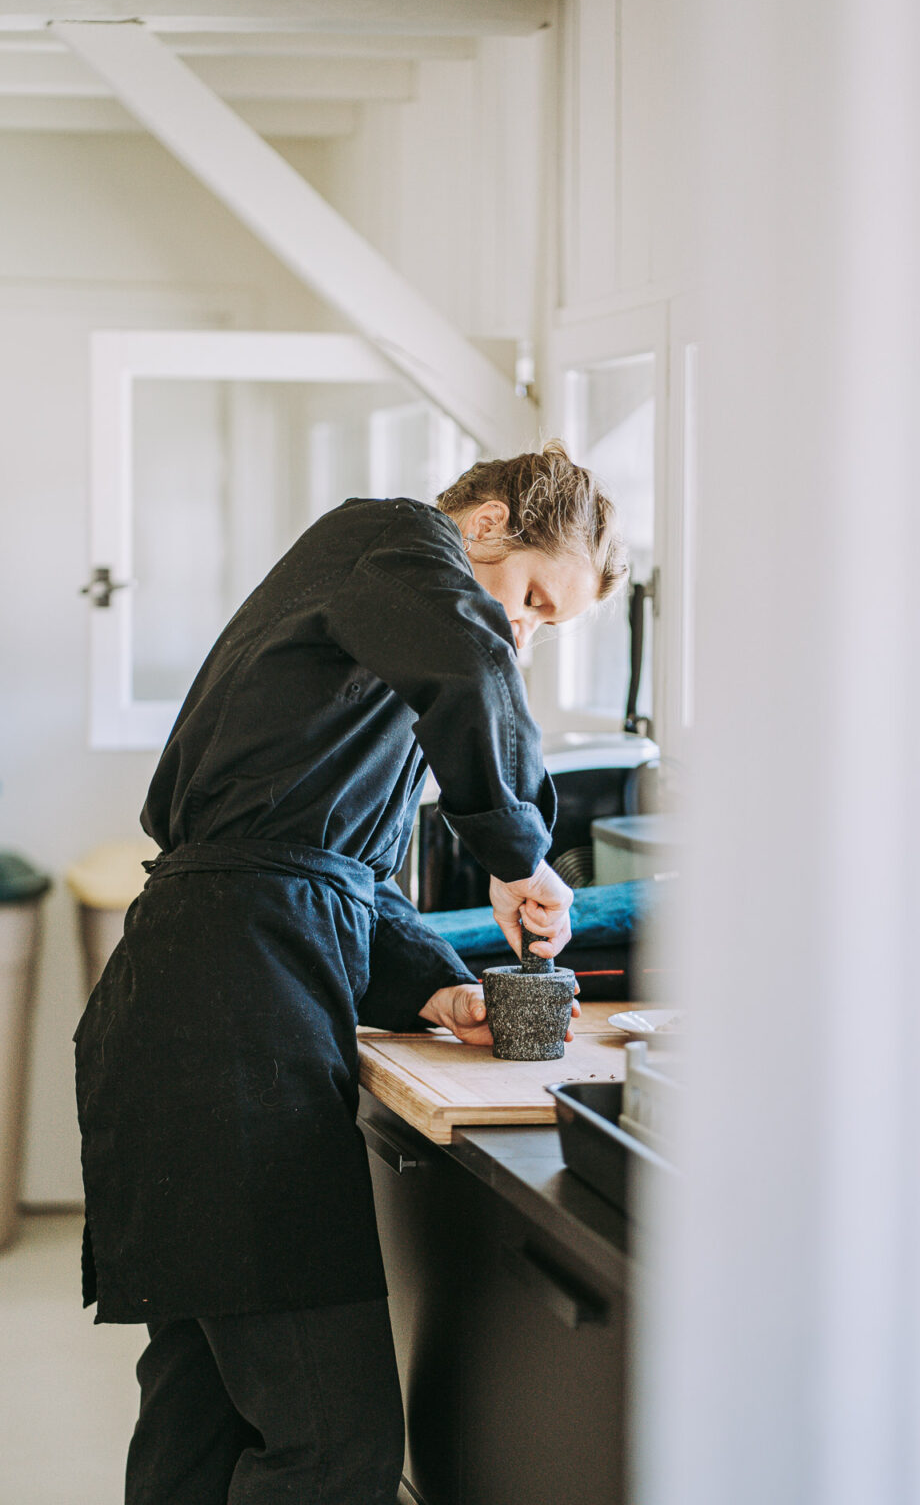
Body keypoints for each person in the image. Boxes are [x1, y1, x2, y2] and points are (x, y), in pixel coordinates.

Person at [73, 438, 629, 1504]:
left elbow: (332, 875)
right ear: (484, 526)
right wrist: (519, 853)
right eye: (533, 600)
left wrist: (438, 985)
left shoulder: (367, 632)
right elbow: (467, 664)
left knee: (203, 1415)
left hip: (204, 1003)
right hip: (228, 1018)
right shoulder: (390, 542)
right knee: (332, 1449)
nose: (522, 633)